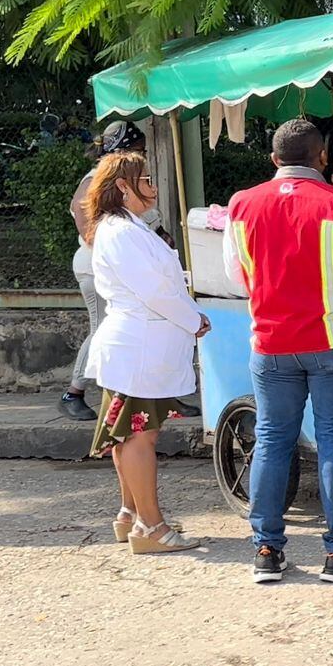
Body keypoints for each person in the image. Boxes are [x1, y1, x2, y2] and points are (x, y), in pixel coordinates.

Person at [223, 119, 333, 585]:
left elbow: (237, 278)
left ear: (274, 160)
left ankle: (267, 551)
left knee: (272, 440)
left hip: (270, 344)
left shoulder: (241, 206)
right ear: (324, 157)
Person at [82, 151, 208, 554]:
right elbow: (155, 291)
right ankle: (151, 526)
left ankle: (129, 513)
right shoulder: (120, 232)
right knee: (139, 438)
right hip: (138, 348)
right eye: (147, 180)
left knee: (128, 436)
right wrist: (194, 320)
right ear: (122, 185)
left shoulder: (127, 227)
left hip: (138, 348)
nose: (153, 188)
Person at [60, 122, 190, 421]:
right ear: (122, 149)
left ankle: (162, 396)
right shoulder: (95, 182)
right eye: (139, 150)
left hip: (128, 266)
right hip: (104, 270)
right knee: (103, 326)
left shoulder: (128, 185)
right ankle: (74, 392)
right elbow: (93, 232)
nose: (143, 157)